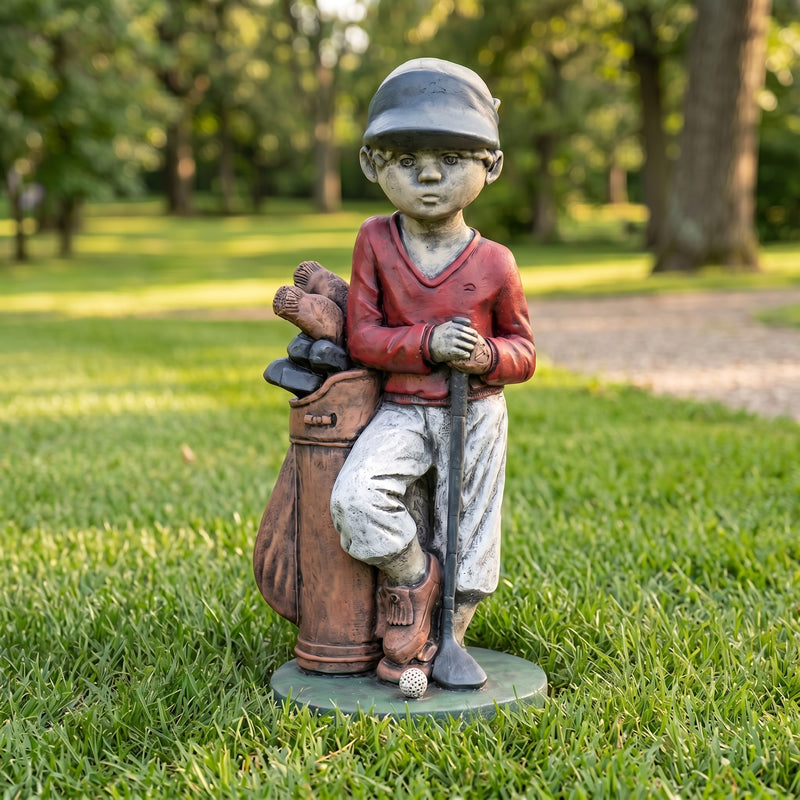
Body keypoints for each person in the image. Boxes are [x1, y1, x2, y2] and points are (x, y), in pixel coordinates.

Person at [330, 58, 536, 684]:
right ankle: (416, 583)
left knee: (470, 526)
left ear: (490, 166)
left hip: (475, 410)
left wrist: (486, 357)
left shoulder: (495, 262)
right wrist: (428, 342)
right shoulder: (375, 240)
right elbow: (363, 337)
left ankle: (449, 639)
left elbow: (523, 352)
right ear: (372, 164)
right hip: (404, 407)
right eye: (405, 158)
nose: (427, 174)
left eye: (451, 157)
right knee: (356, 499)